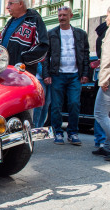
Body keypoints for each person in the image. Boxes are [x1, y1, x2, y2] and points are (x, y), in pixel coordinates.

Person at [42, 6, 90, 145]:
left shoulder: (80, 34)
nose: (61, 18)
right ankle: (58, 132)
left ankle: (73, 132)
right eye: (60, 15)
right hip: (57, 75)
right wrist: (46, 74)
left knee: (74, 103)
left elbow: (85, 55)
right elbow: (46, 56)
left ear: (71, 16)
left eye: (64, 15)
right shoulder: (51, 33)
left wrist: (85, 73)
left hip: (75, 74)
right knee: (56, 105)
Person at [0, 0, 49, 76]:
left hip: (23, 74)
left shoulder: (34, 20)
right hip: (4, 72)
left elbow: (43, 46)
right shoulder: (10, 22)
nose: (7, 7)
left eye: (10, 3)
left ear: (20, 3)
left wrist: (23, 60)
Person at [93, 7, 110, 160]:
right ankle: (107, 146)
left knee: (99, 113)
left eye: (108, 15)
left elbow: (107, 60)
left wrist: (103, 80)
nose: (106, 19)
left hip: (108, 80)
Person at [33, 62, 51, 128]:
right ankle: (35, 126)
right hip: (41, 78)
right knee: (40, 104)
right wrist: (45, 75)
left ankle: (40, 126)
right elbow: (38, 63)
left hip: (52, 79)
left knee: (46, 105)